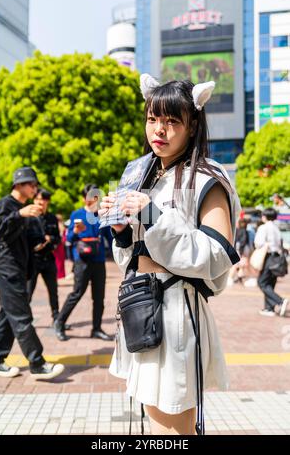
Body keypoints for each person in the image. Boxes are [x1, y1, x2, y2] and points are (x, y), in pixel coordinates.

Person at [99, 75, 241, 435]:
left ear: (192, 125)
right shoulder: (144, 175)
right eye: (152, 119)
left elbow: (216, 257)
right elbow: (136, 255)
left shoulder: (207, 177)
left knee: (173, 424)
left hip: (177, 309)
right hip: (142, 305)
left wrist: (151, 216)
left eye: (172, 121)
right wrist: (121, 232)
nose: (159, 130)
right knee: (155, 416)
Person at [0, 167, 64, 379]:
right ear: (19, 184)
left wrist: (43, 238)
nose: (35, 188)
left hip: (19, 269)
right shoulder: (8, 204)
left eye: (35, 185)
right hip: (6, 269)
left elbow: (28, 241)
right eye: (32, 184)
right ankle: (37, 363)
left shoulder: (27, 208)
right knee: (22, 317)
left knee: (7, 315)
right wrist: (18, 214)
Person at [54, 184, 113, 341]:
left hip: (99, 260)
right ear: (84, 199)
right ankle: (59, 323)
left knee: (99, 297)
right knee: (77, 293)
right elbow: (69, 239)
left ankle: (96, 328)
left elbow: (110, 236)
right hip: (82, 261)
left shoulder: (102, 214)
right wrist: (75, 231)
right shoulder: (77, 214)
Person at [27, 189, 61, 323]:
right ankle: (26, 319)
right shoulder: (29, 218)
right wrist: (34, 247)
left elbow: (58, 238)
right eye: (37, 199)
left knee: (53, 291)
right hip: (33, 259)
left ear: (48, 201)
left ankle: (56, 318)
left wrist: (50, 239)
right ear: (34, 200)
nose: (40, 202)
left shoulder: (52, 218)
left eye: (43, 199)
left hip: (48, 258)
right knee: (28, 292)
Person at [255, 208, 289, 317]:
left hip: (268, 256)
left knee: (262, 282)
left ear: (265, 216)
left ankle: (280, 301)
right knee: (270, 282)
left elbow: (259, 243)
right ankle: (269, 308)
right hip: (277, 257)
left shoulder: (263, 227)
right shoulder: (276, 227)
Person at [54, 214, 67, 280]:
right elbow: (64, 237)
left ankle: (56, 275)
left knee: (57, 260)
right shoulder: (61, 225)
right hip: (60, 245)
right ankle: (59, 275)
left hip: (57, 244)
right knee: (60, 260)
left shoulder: (57, 225)